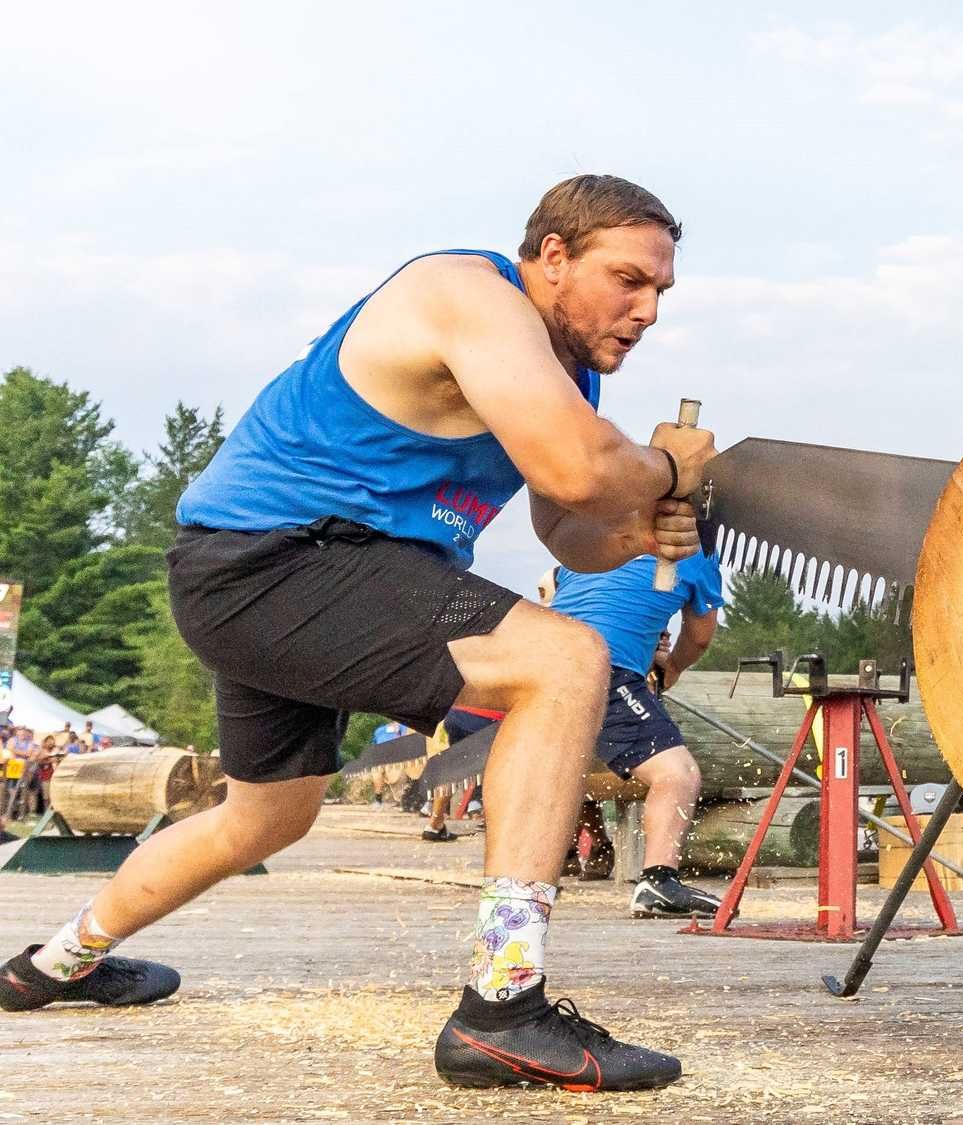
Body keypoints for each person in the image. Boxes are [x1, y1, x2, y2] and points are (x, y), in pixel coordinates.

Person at [1, 174, 719, 1095]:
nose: (648, 309)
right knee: (565, 660)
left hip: (287, 572)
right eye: (628, 279)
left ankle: (56, 962)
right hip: (283, 559)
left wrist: (641, 528)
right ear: (552, 255)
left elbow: (568, 527)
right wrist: (669, 467)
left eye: (660, 290)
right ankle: (503, 1008)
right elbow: (582, 469)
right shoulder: (469, 296)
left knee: (266, 816)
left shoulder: (560, 369)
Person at [547, 552, 725, 917]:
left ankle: (524, 880)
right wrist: (672, 666)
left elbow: (562, 591)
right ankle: (659, 882)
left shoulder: (596, 538)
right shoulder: (697, 550)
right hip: (600, 667)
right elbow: (700, 637)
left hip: (543, 662)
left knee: (555, 771)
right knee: (677, 774)